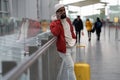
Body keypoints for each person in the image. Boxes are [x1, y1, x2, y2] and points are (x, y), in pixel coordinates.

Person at [50, 3, 76, 80]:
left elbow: (71, 31)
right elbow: (55, 33)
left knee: (70, 68)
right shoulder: (54, 23)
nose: (63, 12)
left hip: (72, 45)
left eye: (63, 10)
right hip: (64, 49)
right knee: (71, 67)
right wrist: (58, 21)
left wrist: (74, 39)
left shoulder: (68, 20)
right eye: (60, 11)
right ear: (56, 13)